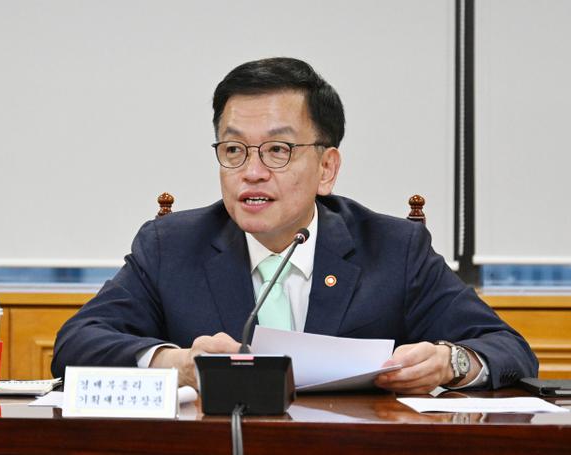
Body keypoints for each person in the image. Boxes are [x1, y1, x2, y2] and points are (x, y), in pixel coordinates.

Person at [51, 57, 538, 393]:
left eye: (278, 150)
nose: (252, 171)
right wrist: (176, 365)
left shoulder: (394, 248)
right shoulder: (172, 245)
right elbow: (76, 344)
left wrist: (450, 363)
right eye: (234, 149)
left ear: (327, 168)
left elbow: (508, 349)